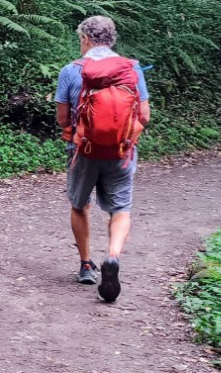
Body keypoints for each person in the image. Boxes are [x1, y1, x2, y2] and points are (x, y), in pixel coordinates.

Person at [55, 16, 151, 302]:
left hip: (83, 152)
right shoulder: (131, 68)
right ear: (112, 39)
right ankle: (112, 257)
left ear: (85, 39)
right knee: (121, 208)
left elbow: (62, 119)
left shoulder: (71, 70)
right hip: (121, 152)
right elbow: (144, 116)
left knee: (78, 204)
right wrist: (124, 138)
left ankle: (86, 265)